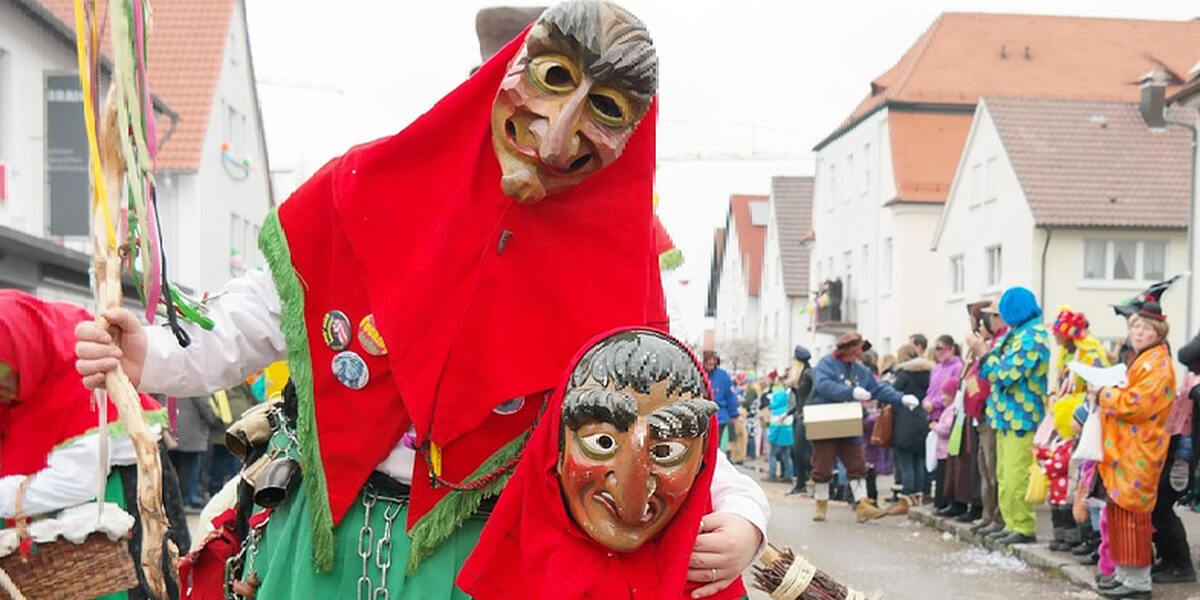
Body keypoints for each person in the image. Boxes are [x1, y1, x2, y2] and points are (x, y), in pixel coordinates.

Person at [75, 2, 768, 597]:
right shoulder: (370, 186)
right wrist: (153, 353)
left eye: (604, 111)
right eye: (551, 81)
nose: (556, 136)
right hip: (320, 550)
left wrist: (743, 513)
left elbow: (666, 418)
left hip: (480, 566)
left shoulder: (620, 266)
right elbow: (258, 319)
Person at [0, 290, 188, 600]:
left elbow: (77, 482)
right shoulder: (26, 384)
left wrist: (5, 496)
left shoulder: (83, 372)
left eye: (5, 375)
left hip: (129, 505)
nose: (4, 389)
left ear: (25, 351)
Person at [1093, 302, 1175, 599]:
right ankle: (1123, 573)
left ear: (1159, 332)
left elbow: (1137, 404)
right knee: (1118, 512)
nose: (1139, 332)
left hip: (1139, 450)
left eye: (1146, 328)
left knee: (1134, 516)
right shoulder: (1143, 358)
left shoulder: (1158, 363)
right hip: (1124, 449)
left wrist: (1105, 393)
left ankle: (1138, 582)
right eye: (1136, 326)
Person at [968, 286, 1049, 545]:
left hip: (1021, 416)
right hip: (1003, 415)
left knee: (1015, 476)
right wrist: (985, 358)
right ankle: (1011, 523)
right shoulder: (1016, 333)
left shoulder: (1033, 336)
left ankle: (1023, 527)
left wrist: (983, 353)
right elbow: (988, 372)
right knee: (1003, 474)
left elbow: (1005, 375)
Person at [808, 332, 918, 522]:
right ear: (848, 349)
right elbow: (823, 385)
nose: (861, 353)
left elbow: (877, 388)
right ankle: (821, 503)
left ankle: (862, 505)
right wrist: (850, 391)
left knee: (857, 463)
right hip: (826, 420)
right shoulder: (826, 364)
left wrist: (900, 398)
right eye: (858, 349)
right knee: (822, 465)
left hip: (850, 420)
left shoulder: (859, 370)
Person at [1043, 307, 1109, 552]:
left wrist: (1075, 410)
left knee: (1082, 480)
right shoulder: (1065, 353)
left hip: (1083, 424)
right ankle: (1070, 535)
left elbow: (1096, 385)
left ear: (1069, 334)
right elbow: (1064, 384)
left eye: (1059, 333)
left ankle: (1089, 539)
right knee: (1063, 480)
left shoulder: (1090, 352)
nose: (1056, 337)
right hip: (1064, 423)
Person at [964, 301, 1006, 534]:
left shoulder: (999, 344)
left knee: (993, 468)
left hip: (991, 413)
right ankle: (988, 514)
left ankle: (998, 517)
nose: (982, 324)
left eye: (987, 318)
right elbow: (971, 376)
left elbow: (987, 376)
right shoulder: (990, 343)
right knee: (985, 469)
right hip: (980, 414)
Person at [886, 344, 932, 516]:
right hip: (923, 419)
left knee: (905, 462)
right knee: (919, 459)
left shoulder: (903, 374)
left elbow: (893, 394)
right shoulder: (928, 373)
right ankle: (918, 496)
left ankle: (906, 497)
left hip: (905, 420)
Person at [924, 335, 964, 514]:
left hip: (947, 414)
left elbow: (953, 391)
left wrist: (937, 403)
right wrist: (926, 401)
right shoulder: (936, 369)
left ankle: (947, 500)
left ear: (951, 348)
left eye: (941, 348)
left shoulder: (957, 367)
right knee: (935, 460)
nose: (938, 352)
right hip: (934, 416)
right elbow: (931, 390)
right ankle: (939, 499)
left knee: (948, 463)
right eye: (936, 348)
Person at [786, 346, 814, 495]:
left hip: (805, 416)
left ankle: (807, 480)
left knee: (801, 451)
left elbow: (813, 393)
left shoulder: (809, 373)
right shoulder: (800, 375)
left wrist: (805, 410)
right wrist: (789, 413)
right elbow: (798, 400)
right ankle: (801, 482)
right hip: (799, 415)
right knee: (796, 451)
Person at [703, 351, 740, 453]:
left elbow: (730, 396)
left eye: (713, 360)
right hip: (702, 416)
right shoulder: (698, 372)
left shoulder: (723, 376)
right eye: (708, 360)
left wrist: (734, 414)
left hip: (719, 416)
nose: (711, 362)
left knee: (714, 447)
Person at [767, 386, 794, 482]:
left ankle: (772, 474)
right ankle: (788, 476)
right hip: (788, 439)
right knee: (787, 457)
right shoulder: (788, 411)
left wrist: (770, 439)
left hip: (777, 439)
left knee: (772, 455)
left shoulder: (776, 412)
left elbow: (775, 428)